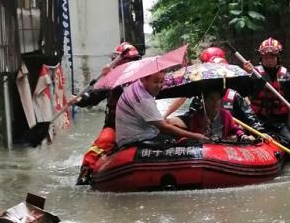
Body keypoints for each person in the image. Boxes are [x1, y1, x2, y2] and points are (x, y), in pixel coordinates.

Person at [72, 42, 140, 185]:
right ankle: (85, 176)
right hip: (114, 127)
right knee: (97, 149)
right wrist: (78, 99)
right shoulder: (111, 81)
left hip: (139, 126)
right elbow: (94, 96)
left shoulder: (144, 80)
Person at [165, 46, 266, 132]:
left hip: (229, 132)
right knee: (171, 122)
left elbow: (250, 118)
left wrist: (258, 131)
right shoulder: (201, 94)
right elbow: (191, 116)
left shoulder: (234, 95)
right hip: (205, 134)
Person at [116, 71, 209, 147]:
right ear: (143, 79)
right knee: (185, 143)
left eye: (161, 81)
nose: (160, 86)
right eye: (156, 82)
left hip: (134, 132)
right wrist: (195, 136)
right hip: (136, 138)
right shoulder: (143, 100)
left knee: (178, 133)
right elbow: (163, 127)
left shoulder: (136, 86)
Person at [244, 37, 290, 154]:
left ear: (278, 57)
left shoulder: (286, 77)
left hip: (279, 122)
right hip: (257, 120)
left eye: (272, 57)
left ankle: (275, 141)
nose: (269, 60)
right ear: (261, 58)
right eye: (266, 57)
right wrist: (248, 75)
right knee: (248, 142)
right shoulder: (254, 74)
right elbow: (243, 92)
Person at [178, 84, 255, 143]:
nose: (215, 102)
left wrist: (243, 136)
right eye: (211, 99)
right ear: (204, 101)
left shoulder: (226, 114)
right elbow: (194, 135)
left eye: (218, 99)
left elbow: (234, 129)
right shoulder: (197, 116)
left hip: (222, 148)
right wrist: (203, 129)